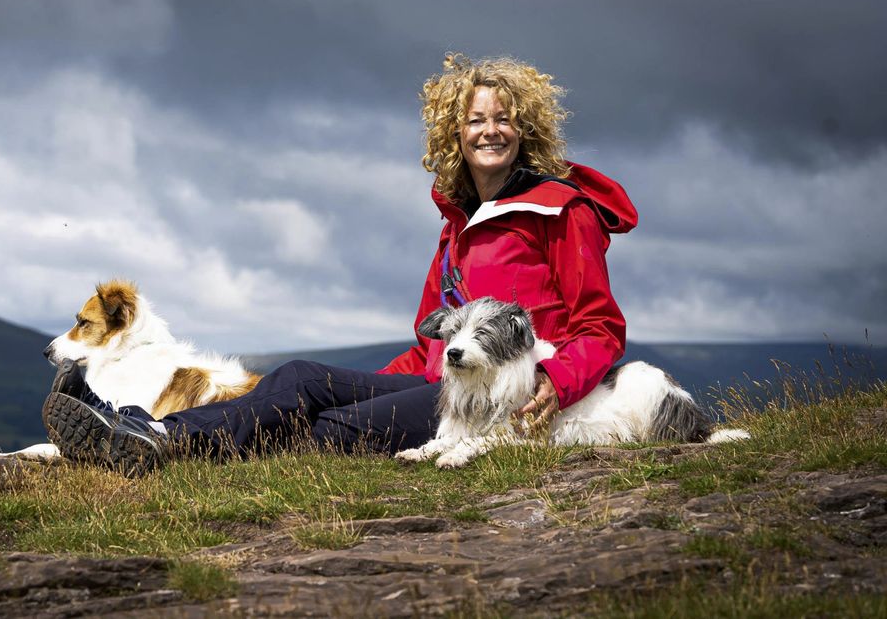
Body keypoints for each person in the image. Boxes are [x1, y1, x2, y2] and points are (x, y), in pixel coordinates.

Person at [42, 54, 637, 476]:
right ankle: (148, 431)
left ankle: (163, 453)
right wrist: (358, 388)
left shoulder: (562, 211)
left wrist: (554, 386)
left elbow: (600, 327)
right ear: (455, 133)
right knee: (302, 378)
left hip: (497, 397)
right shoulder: (457, 227)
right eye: (476, 119)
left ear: (523, 129)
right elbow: (426, 342)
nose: (490, 130)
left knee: (333, 432)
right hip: (438, 381)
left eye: (503, 118)